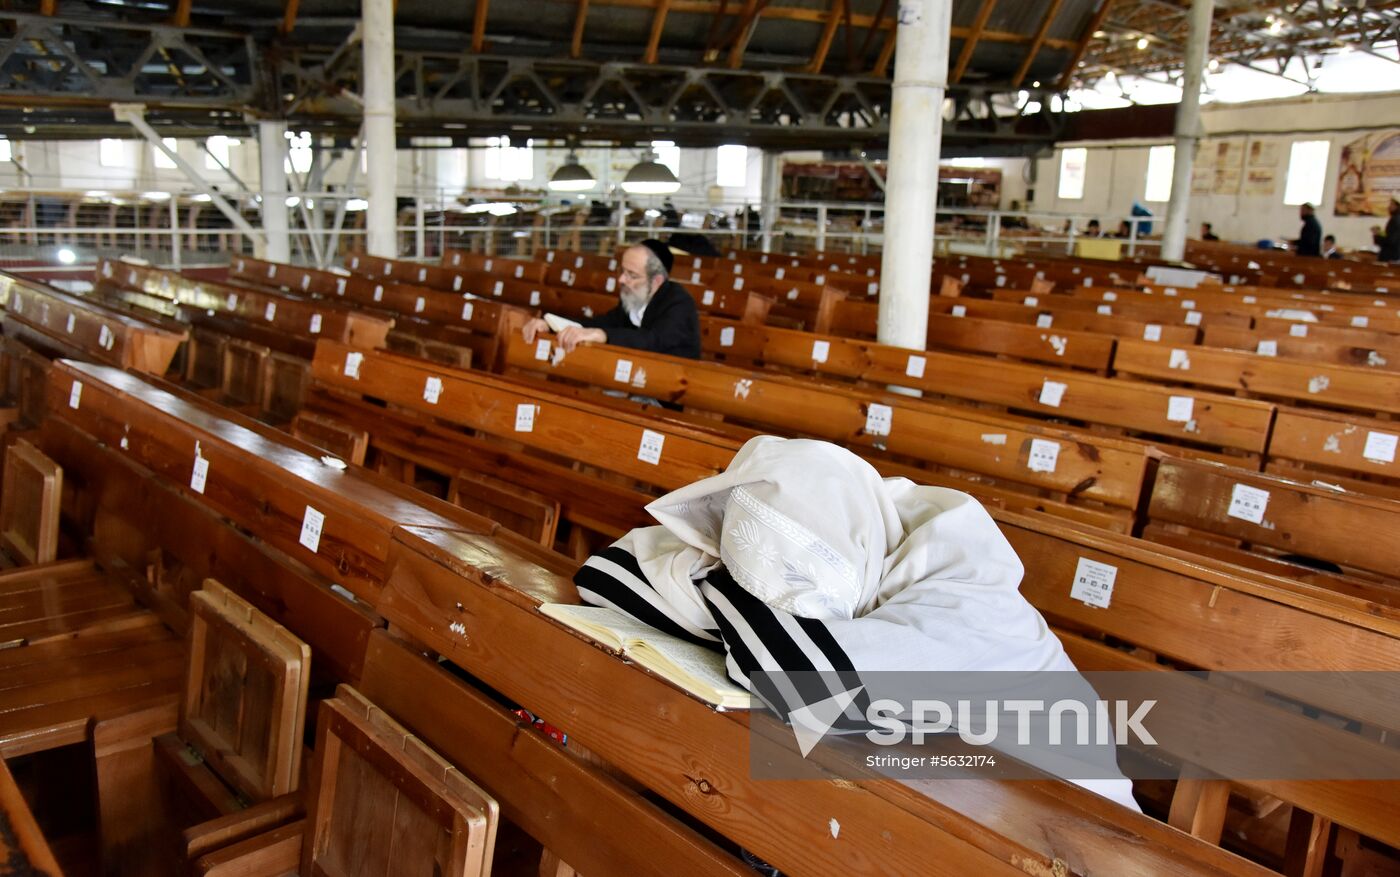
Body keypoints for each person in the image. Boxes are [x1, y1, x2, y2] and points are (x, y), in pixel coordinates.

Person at [573, 436, 1142, 813]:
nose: (796, 609)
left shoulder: (970, 600)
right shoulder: (864, 529)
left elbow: (811, 687)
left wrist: (719, 579)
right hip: (950, 806)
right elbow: (605, 574)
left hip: (1073, 834)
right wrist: (746, 589)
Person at [521, 239, 700, 359]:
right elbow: (602, 323)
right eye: (622, 271)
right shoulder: (634, 298)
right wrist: (552, 325)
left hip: (665, 396)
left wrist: (602, 335)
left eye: (632, 275)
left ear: (657, 281)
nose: (622, 280)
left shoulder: (678, 303)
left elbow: (652, 341)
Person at [1373, 198, 1400, 263]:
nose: (1389, 207)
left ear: (1397, 206)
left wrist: (1377, 235)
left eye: (1391, 204)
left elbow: (1391, 240)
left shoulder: (1395, 220)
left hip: (1390, 256)